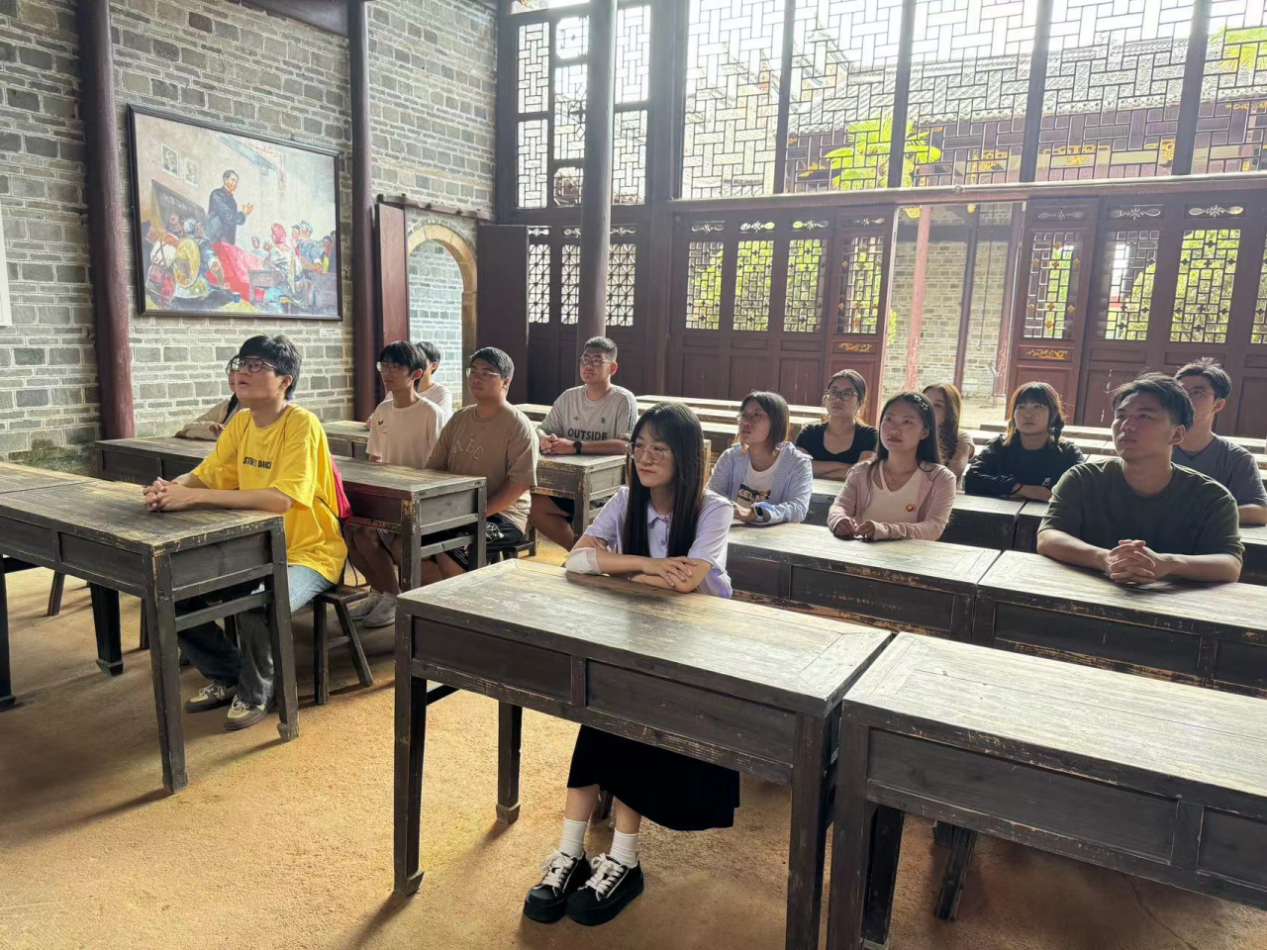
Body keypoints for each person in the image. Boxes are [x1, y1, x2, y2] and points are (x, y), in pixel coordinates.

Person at [525, 403, 734, 927]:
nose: (645, 457)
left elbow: (687, 583)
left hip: (697, 653)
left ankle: (620, 858)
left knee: (626, 722)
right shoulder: (625, 500)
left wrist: (618, 572)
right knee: (603, 715)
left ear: (686, 457)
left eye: (659, 448)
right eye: (639, 446)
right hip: (637, 641)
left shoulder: (713, 508)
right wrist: (646, 564)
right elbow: (576, 561)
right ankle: (575, 853)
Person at [143, 335, 347, 730]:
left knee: (260, 602)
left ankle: (257, 692)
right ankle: (228, 673)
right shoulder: (241, 422)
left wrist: (192, 498)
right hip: (255, 549)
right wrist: (169, 488)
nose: (241, 372)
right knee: (173, 595)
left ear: (285, 380)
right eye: (240, 364)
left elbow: (281, 500)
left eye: (256, 366)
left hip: (309, 553)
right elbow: (207, 474)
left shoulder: (301, 424)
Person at [1038, 374, 1242, 585]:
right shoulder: (1082, 479)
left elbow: (1230, 564)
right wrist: (1104, 558)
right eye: (1121, 415)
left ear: (1177, 434)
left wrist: (1169, 563)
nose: (1126, 425)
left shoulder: (1212, 497)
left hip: (1171, 602)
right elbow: (1049, 536)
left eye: (1144, 416)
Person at [345, 342, 449, 628]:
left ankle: (394, 597)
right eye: (385, 366)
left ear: (416, 373)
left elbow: (440, 467)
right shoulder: (383, 410)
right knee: (352, 531)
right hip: (389, 496)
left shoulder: (431, 413)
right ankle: (380, 592)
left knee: (377, 537)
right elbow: (375, 459)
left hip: (420, 499)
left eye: (396, 367)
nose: (387, 373)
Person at [425, 347, 538, 577]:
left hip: (504, 515)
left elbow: (519, 484)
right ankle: (443, 595)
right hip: (457, 509)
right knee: (404, 543)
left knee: (452, 549)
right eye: (473, 371)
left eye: (487, 373)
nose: (477, 378)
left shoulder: (518, 425)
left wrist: (477, 513)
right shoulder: (459, 418)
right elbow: (435, 468)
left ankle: (459, 595)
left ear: (505, 381)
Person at [530, 337, 639, 549]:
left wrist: (576, 446)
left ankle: (585, 556)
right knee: (532, 504)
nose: (589, 365)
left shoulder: (622, 400)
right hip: (568, 483)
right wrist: (544, 439)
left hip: (608, 487)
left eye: (597, 361)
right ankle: (579, 554)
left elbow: (626, 445)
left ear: (612, 368)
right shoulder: (568, 397)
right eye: (585, 359)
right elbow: (542, 429)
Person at [827, 391, 956, 541]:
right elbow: (840, 506)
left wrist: (887, 531)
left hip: (912, 556)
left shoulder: (941, 478)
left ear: (925, 432)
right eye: (888, 419)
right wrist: (839, 520)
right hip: (861, 553)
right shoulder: (861, 472)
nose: (894, 430)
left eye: (907, 422)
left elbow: (933, 528)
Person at [1173, 358, 1267, 525]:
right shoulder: (1151, 448)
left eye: (1198, 393)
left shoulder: (1236, 458)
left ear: (1218, 405)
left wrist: (1203, 514)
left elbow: (1261, 512)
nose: (1186, 398)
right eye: (1181, 391)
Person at [964, 382, 1085, 500]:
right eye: (1021, 407)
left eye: (1037, 407)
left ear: (1052, 414)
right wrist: (1019, 488)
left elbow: (1085, 487)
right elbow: (972, 479)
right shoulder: (999, 446)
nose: (1028, 414)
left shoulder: (1068, 453)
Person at [707, 390, 812, 525]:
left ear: (776, 422)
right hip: (731, 533)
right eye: (744, 415)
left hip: (774, 537)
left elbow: (798, 509)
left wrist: (755, 513)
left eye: (756, 415)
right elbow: (711, 496)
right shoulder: (731, 457)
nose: (746, 422)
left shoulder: (797, 464)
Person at [794, 369, 877, 480]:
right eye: (833, 392)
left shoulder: (869, 435)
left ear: (860, 402)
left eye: (847, 394)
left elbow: (862, 473)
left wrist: (817, 470)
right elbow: (797, 468)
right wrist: (845, 467)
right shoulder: (809, 433)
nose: (838, 399)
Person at [923, 382, 975, 479]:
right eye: (925, 402)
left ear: (949, 412)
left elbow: (950, 478)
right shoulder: (911, 434)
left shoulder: (962, 438)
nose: (928, 408)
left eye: (937, 405)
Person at [175, 370, 241, 442]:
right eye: (231, 371)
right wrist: (209, 425)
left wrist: (188, 433)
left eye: (238, 372)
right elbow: (189, 426)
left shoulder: (248, 408)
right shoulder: (227, 404)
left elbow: (226, 435)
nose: (232, 377)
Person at [415, 340, 453, 415]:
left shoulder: (441, 393)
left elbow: (440, 420)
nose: (415, 364)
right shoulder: (399, 389)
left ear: (434, 365)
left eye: (420, 360)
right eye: (413, 359)